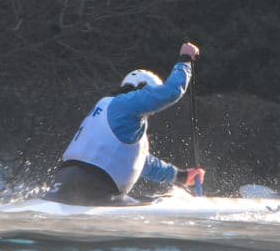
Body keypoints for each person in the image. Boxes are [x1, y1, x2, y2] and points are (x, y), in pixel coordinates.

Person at [45, 42, 205, 205]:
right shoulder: (126, 105)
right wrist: (185, 60)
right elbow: (171, 92)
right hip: (96, 189)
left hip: (61, 185)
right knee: (158, 201)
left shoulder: (109, 110)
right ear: (141, 90)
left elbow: (142, 162)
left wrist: (181, 176)